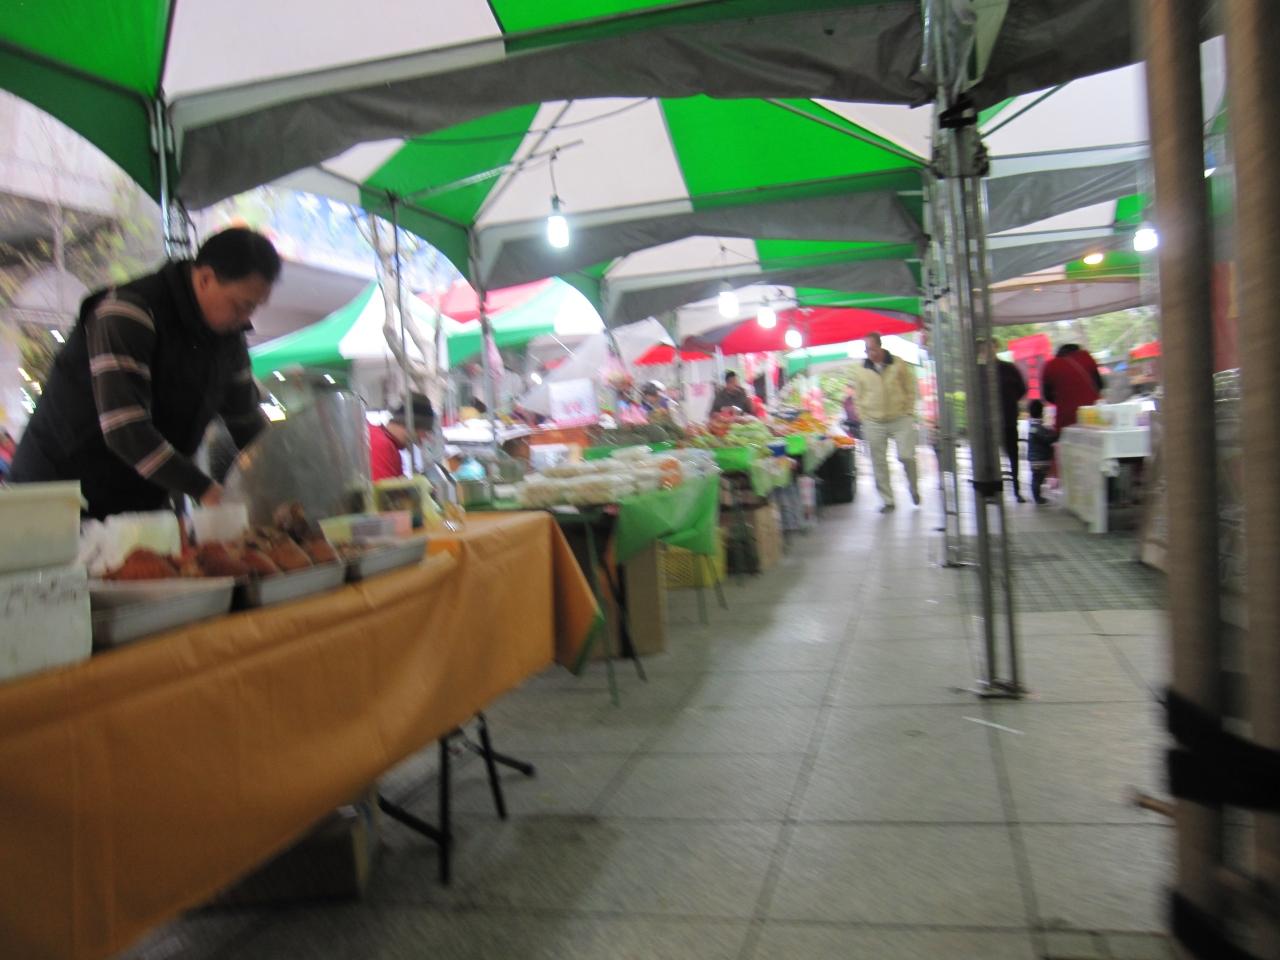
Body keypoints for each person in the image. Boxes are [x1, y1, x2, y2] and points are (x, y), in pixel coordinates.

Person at [8, 228, 280, 519]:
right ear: (205, 279)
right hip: (56, 496)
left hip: (131, 499)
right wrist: (207, 491)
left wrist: (279, 473)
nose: (246, 318)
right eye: (240, 305)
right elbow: (126, 431)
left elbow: (245, 419)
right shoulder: (128, 312)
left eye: (254, 307)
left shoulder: (228, 338)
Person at [852, 332, 919, 512]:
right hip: (873, 420)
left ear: (880, 346)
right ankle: (887, 500)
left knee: (907, 456)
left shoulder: (897, 363)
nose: (871, 353)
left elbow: (910, 387)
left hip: (900, 416)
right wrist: (863, 416)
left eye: (873, 349)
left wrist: (909, 410)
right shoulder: (861, 369)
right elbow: (858, 396)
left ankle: (914, 488)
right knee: (878, 461)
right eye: (867, 350)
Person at [991, 341, 1028, 502]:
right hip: (994, 420)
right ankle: (993, 490)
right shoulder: (980, 370)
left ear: (996, 347)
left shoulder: (1008, 368)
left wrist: (1010, 401)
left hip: (1008, 418)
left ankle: (1016, 489)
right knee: (994, 456)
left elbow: (1021, 389)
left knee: (1012, 454)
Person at [369, 393, 435, 482]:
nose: (423, 439)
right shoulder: (380, 444)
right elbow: (382, 489)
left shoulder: (390, 444)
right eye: (424, 432)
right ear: (411, 425)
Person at [1041, 343, 1102, 433]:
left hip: (1066, 417)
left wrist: (1061, 399)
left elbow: (1047, 395)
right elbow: (1100, 384)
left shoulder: (1051, 365)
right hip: (1091, 414)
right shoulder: (1086, 357)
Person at [1025, 399, 1057, 505]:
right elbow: (1046, 439)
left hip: (1035, 459)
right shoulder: (1037, 427)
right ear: (1041, 412)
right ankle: (1037, 497)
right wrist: (1055, 436)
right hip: (1039, 459)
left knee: (1037, 478)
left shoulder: (1033, 426)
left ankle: (1037, 496)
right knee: (1037, 479)